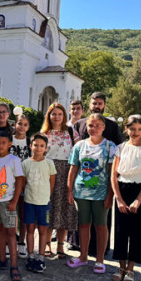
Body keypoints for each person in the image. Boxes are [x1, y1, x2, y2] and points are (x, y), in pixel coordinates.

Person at [110, 115, 141, 281]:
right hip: (122, 190)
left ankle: (131, 268)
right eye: (132, 129)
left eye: (139, 129)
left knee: (137, 231)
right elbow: (114, 175)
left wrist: (138, 200)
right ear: (126, 129)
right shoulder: (120, 148)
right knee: (121, 230)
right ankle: (121, 266)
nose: (135, 132)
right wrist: (119, 199)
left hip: (140, 191)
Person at [67, 113, 116, 274]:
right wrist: (69, 190)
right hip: (81, 193)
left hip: (101, 194)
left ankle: (100, 260)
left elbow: (112, 174)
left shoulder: (109, 146)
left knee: (101, 226)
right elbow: (73, 169)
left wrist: (110, 195)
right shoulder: (79, 146)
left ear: (103, 127)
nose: (93, 129)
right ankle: (82, 257)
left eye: (97, 125)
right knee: (83, 225)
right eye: (90, 125)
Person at [41, 102, 79, 258]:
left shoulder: (71, 131)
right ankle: (47, 244)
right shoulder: (44, 134)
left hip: (67, 172)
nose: (56, 117)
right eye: (53, 114)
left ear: (64, 116)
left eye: (59, 114)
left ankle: (61, 245)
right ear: (49, 116)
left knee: (64, 209)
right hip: (49, 173)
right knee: (50, 209)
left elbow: (78, 152)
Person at [0, 131, 24, 281]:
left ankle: (14, 265)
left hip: (7, 201)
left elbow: (20, 181)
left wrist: (14, 201)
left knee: (10, 233)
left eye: (4, 142)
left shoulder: (14, 160)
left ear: (10, 144)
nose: (0, 145)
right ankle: (2, 259)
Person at [22, 134, 56, 274]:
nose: (38, 148)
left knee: (43, 230)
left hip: (44, 203)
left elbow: (52, 182)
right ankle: (30, 255)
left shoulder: (49, 163)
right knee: (30, 229)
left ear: (46, 148)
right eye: (36, 145)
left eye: (42, 146)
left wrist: (47, 196)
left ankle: (41, 258)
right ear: (31, 146)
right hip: (29, 201)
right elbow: (23, 182)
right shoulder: (25, 163)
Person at [9, 114, 31, 259]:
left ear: (28, 127)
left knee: (23, 214)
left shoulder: (30, 142)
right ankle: (7, 240)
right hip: (9, 182)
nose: (22, 127)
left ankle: (21, 242)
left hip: (25, 182)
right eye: (19, 123)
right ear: (15, 124)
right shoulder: (9, 140)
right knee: (9, 212)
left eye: (25, 124)